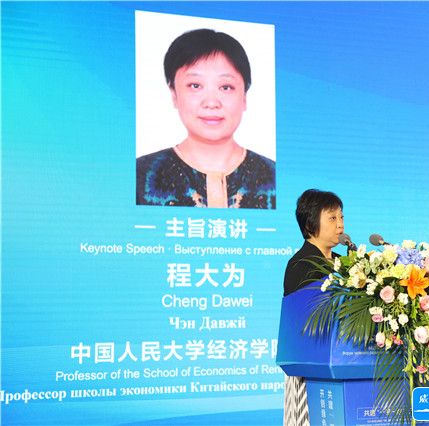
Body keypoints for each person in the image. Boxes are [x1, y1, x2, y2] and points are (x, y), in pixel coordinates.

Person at [137, 29, 275, 208]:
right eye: (195, 85)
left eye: (226, 87)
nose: (211, 103)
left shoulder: (276, 176)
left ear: (244, 97)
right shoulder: (138, 175)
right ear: (174, 94)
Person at [282, 189, 345, 425]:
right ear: (310, 224)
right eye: (332, 218)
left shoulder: (345, 263)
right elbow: (304, 318)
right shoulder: (300, 264)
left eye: (341, 217)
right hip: (311, 368)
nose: (340, 224)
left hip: (343, 363)